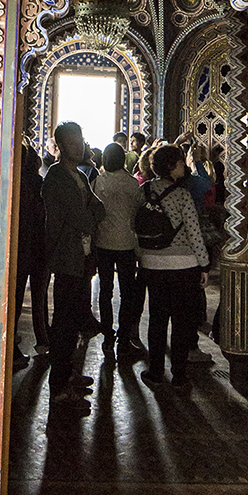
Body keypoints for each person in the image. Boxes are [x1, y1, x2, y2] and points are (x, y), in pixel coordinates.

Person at [42, 120, 105, 412]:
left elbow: (98, 207)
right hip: (66, 258)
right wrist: (86, 215)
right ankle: (58, 388)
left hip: (81, 257)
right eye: (72, 142)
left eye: (80, 141)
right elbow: (82, 218)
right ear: (60, 146)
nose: (78, 147)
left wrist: (87, 214)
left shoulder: (79, 174)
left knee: (75, 319)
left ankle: (68, 374)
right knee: (64, 325)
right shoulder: (57, 177)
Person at [137, 143, 209, 387]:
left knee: (157, 320)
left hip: (152, 263)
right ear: (170, 166)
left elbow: (135, 222)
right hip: (183, 265)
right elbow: (194, 233)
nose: (182, 167)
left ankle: (156, 372)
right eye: (179, 163)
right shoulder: (182, 195)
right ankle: (179, 374)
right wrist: (204, 265)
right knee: (181, 322)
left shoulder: (145, 190)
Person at [94, 141, 145, 358]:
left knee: (105, 291)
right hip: (126, 243)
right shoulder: (132, 183)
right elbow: (138, 211)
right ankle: (123, 338)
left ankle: (107, 335)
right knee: (127, 293)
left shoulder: (98, 181)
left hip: (103, 242)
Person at [13, 124, 50, 365]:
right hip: (38, 248)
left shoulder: (13, 183)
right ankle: (43, 339)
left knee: (15, 298)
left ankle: (12, 344)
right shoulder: (38, 184)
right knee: (39, 297)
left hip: (18, 248)